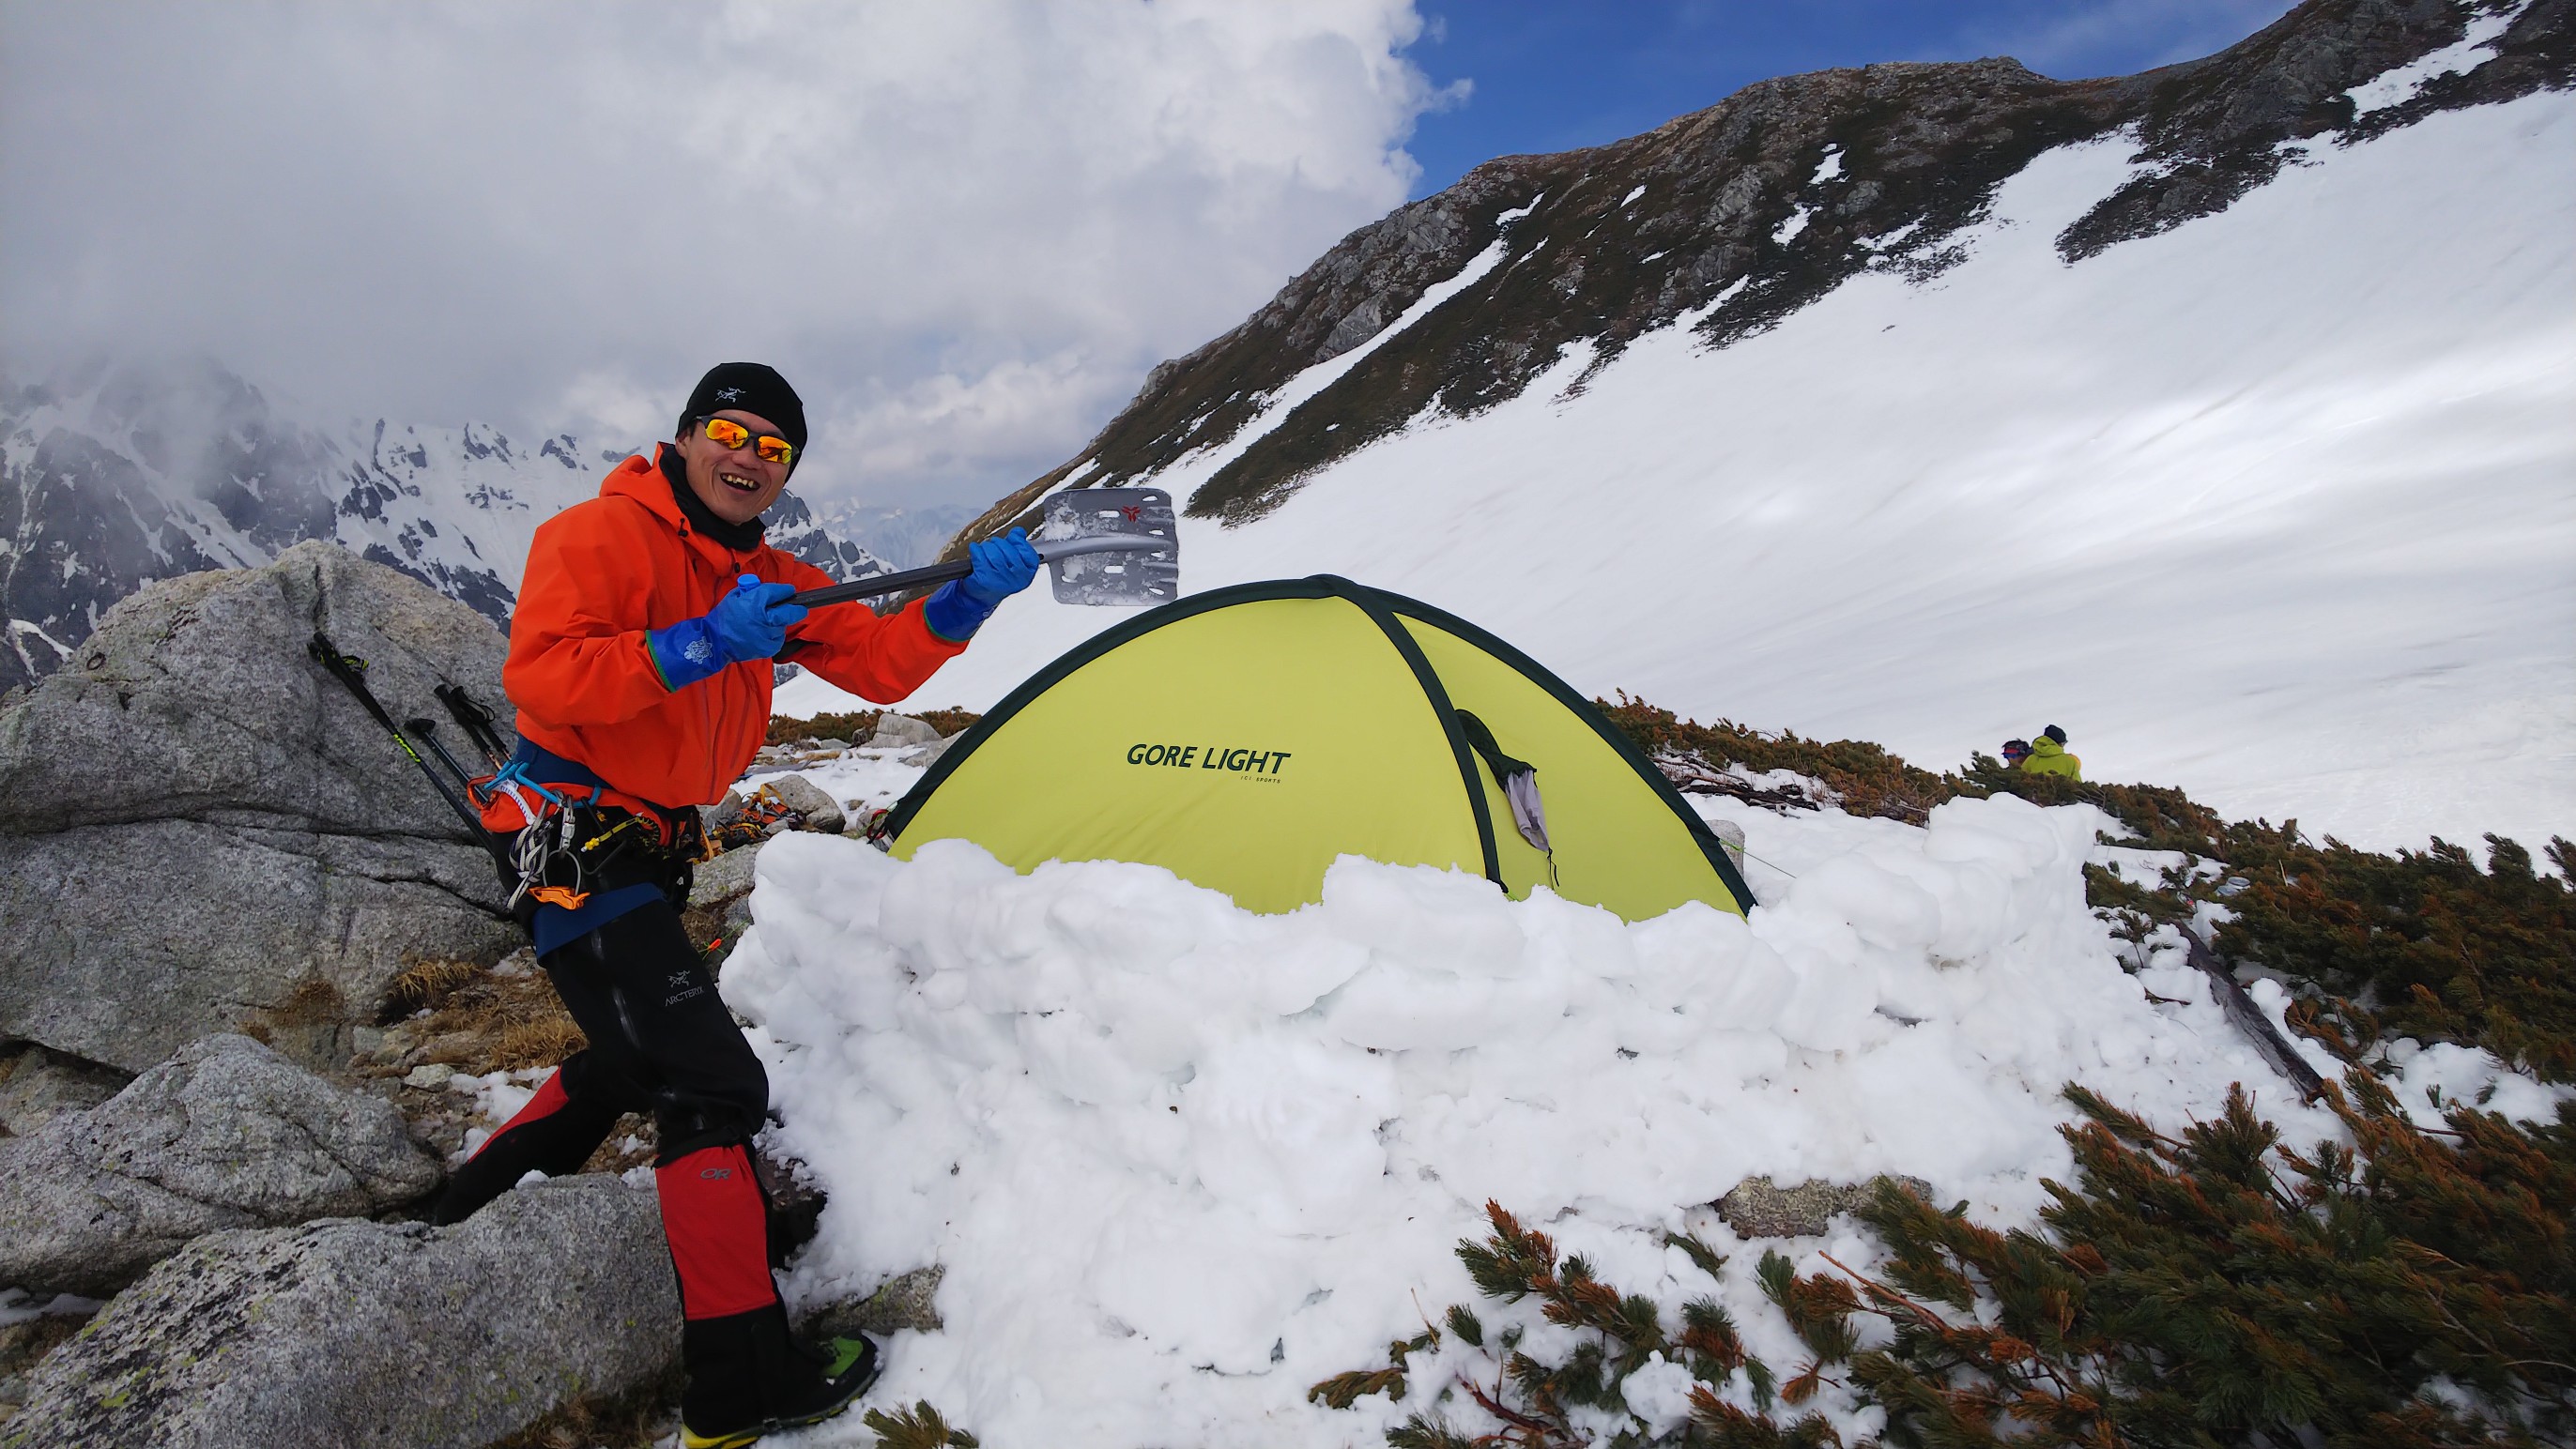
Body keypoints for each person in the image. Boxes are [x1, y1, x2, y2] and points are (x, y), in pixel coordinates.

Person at [430, 362, 1042, 1448]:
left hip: (645, 851)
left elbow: (881, 668)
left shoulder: (769, 572)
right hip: (575, 844)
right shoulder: (597, 536)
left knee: (637, 1054)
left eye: (775, 448)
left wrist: (964, 599)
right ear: (684, 435)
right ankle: (738, 1385)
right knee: (713, 1085)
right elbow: (546, 677)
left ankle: (457, 1209)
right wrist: (701, 642)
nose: (751, 456)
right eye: (732, 430)